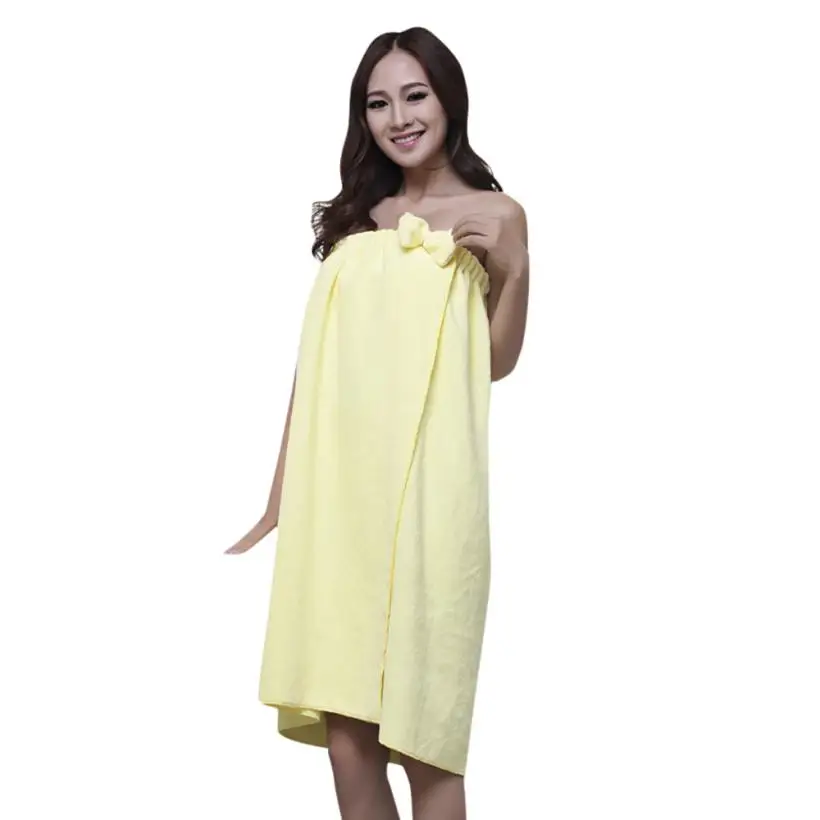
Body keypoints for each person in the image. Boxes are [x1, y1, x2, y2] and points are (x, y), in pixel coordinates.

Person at [224, 26, 529, 820]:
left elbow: (495, 361)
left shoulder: (497, 213)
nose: (399, 117)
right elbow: (315, 365)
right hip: (341, 496)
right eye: (378, 103)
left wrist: (513, 270)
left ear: (449, 99)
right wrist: (280, 499)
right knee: (348, 738)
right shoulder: (359, 219)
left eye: (415, 95)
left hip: (432, 489)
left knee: (427, 739)